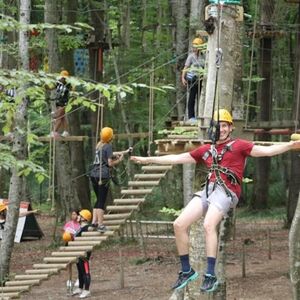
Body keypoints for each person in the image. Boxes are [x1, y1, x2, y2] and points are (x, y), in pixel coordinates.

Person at [130, 108, 300, 293]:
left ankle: (210, 274)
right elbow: (178, 158)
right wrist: (149, 160)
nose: (222, 129)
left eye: (225, 125)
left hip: (227, 192)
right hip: (209, 190)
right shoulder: (206, 150)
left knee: (208, 225)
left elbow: (266, 151)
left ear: (230, 128)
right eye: (219, 126)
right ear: (213, 129)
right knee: (179, 224)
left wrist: (289, 146)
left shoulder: (240, 145)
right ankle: (187, 270)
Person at [89, 127, 124, 233]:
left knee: (98, 198)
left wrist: (121, 153)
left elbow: (107, 155)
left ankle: (94, 222)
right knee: (101, 200)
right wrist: (119, 160)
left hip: (94, 174)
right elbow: (109, 163)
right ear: (111, 136)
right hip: (102, 176)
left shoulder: (99, 145)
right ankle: (100, 225)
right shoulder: (108, 146)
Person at [182, 37, 205, 123]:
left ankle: (201, 115)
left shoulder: (204, 56)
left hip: (201, 79)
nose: (194, 48)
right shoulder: (191, 56)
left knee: (201, 98)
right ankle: (191, 116)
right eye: (194, 47)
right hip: (192, 79)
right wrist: (183, 78)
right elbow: (186, 67)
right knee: (192, 97)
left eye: (196, 47)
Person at [71, 209, 93, 299]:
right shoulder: (80, 228)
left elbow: (91, 228)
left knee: (85, 272)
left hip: (84, 253)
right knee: (80, 271)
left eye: (79, 215)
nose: (77, 217)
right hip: (78, 252)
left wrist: (94, 225)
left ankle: (87, 290)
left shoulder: (87, 227)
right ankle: (80, 288)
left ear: (84, 218)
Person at [50, 70, 71, 138]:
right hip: (58, 103)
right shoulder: (58, 84)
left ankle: (54, 131)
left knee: (59, 116)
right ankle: (66, 132)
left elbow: (73, 91)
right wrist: (46, 86)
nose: (62, 79)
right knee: (63, 117)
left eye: (63, 78)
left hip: (64, 103)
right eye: (61, 77)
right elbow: (52, 87)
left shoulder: (68, 85)